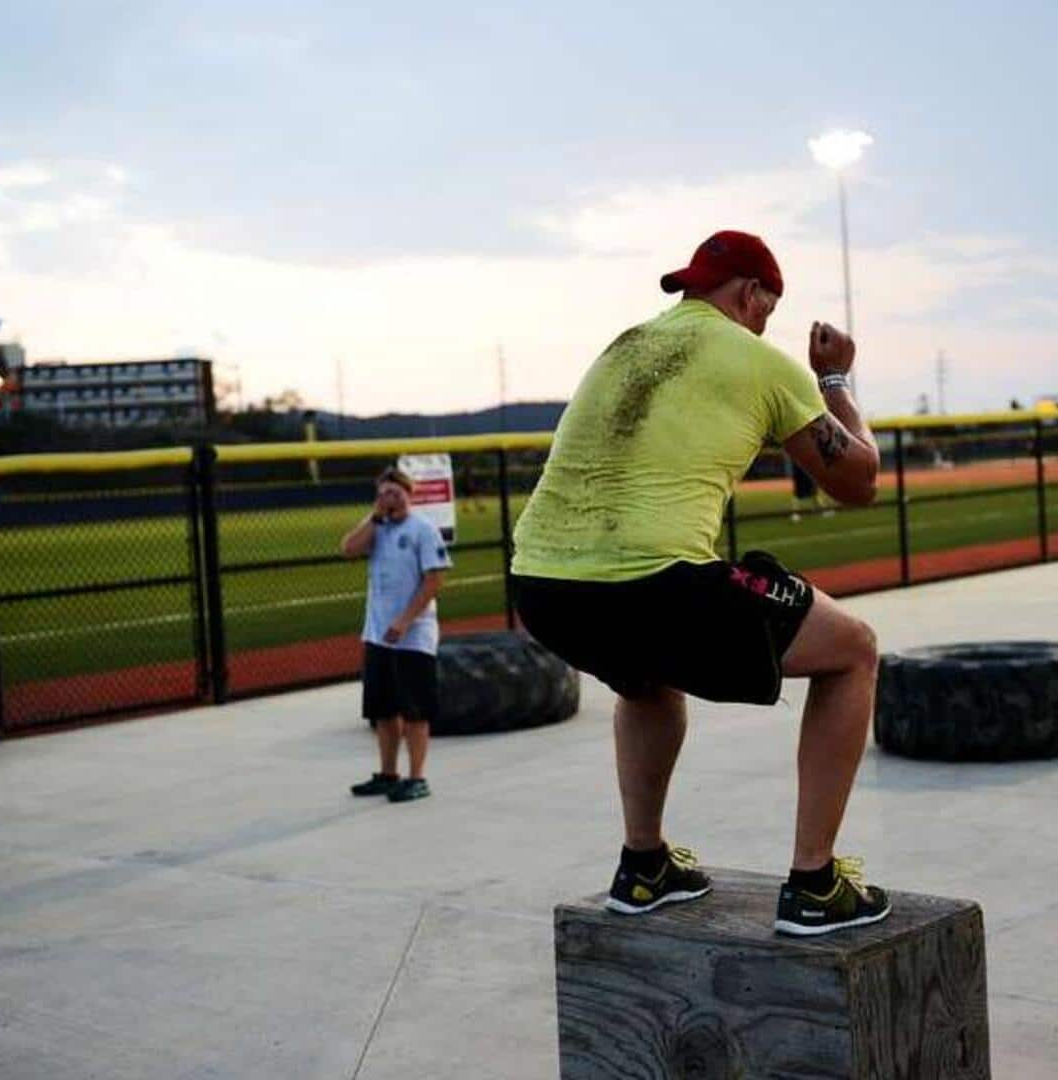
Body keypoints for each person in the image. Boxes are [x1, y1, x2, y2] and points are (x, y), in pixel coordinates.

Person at [511, 230, 890, 936]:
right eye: (764, 311)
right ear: (752, 295)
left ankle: (645, 864)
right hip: (656, 584)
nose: (762, 324)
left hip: (541, 586)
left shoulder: (624, 345)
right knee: (854, 649)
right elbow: (860, 482)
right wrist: (833, 379)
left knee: (647, 680)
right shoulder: (759, 360)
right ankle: (815, 882)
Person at [339, 467, 450, 803]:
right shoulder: (377, 529)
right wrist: (373, 518)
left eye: (395, 492)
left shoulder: (423, 530)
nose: (390, 498)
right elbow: (347, 548)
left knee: (415, 711)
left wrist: (404, 621)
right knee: (384, 711)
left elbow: (434, 580)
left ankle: (417, 777)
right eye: (384, 493)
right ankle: (388, 773)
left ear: (408, 494)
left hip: (412, 637)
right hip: (377, 635)